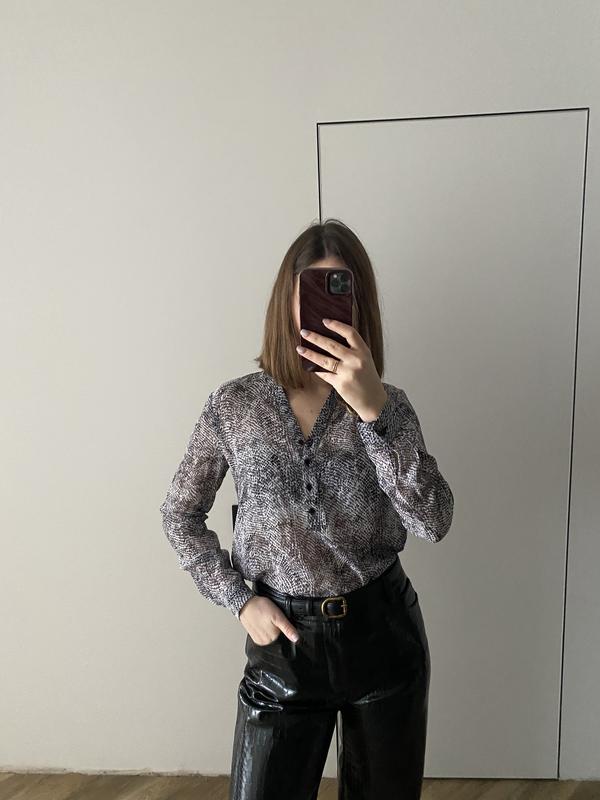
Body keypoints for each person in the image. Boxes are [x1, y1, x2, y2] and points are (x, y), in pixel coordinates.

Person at [159, 218, 454, 800]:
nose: (326, 305)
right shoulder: (235, 405)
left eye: (341, 289)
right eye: (313, 290)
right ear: (286, 300)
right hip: (283, 653)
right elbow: (179, 515)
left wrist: (374, 413)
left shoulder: (388, 405)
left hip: (383, 637)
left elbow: (433, 520)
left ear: (360, 307)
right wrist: (239, 599)